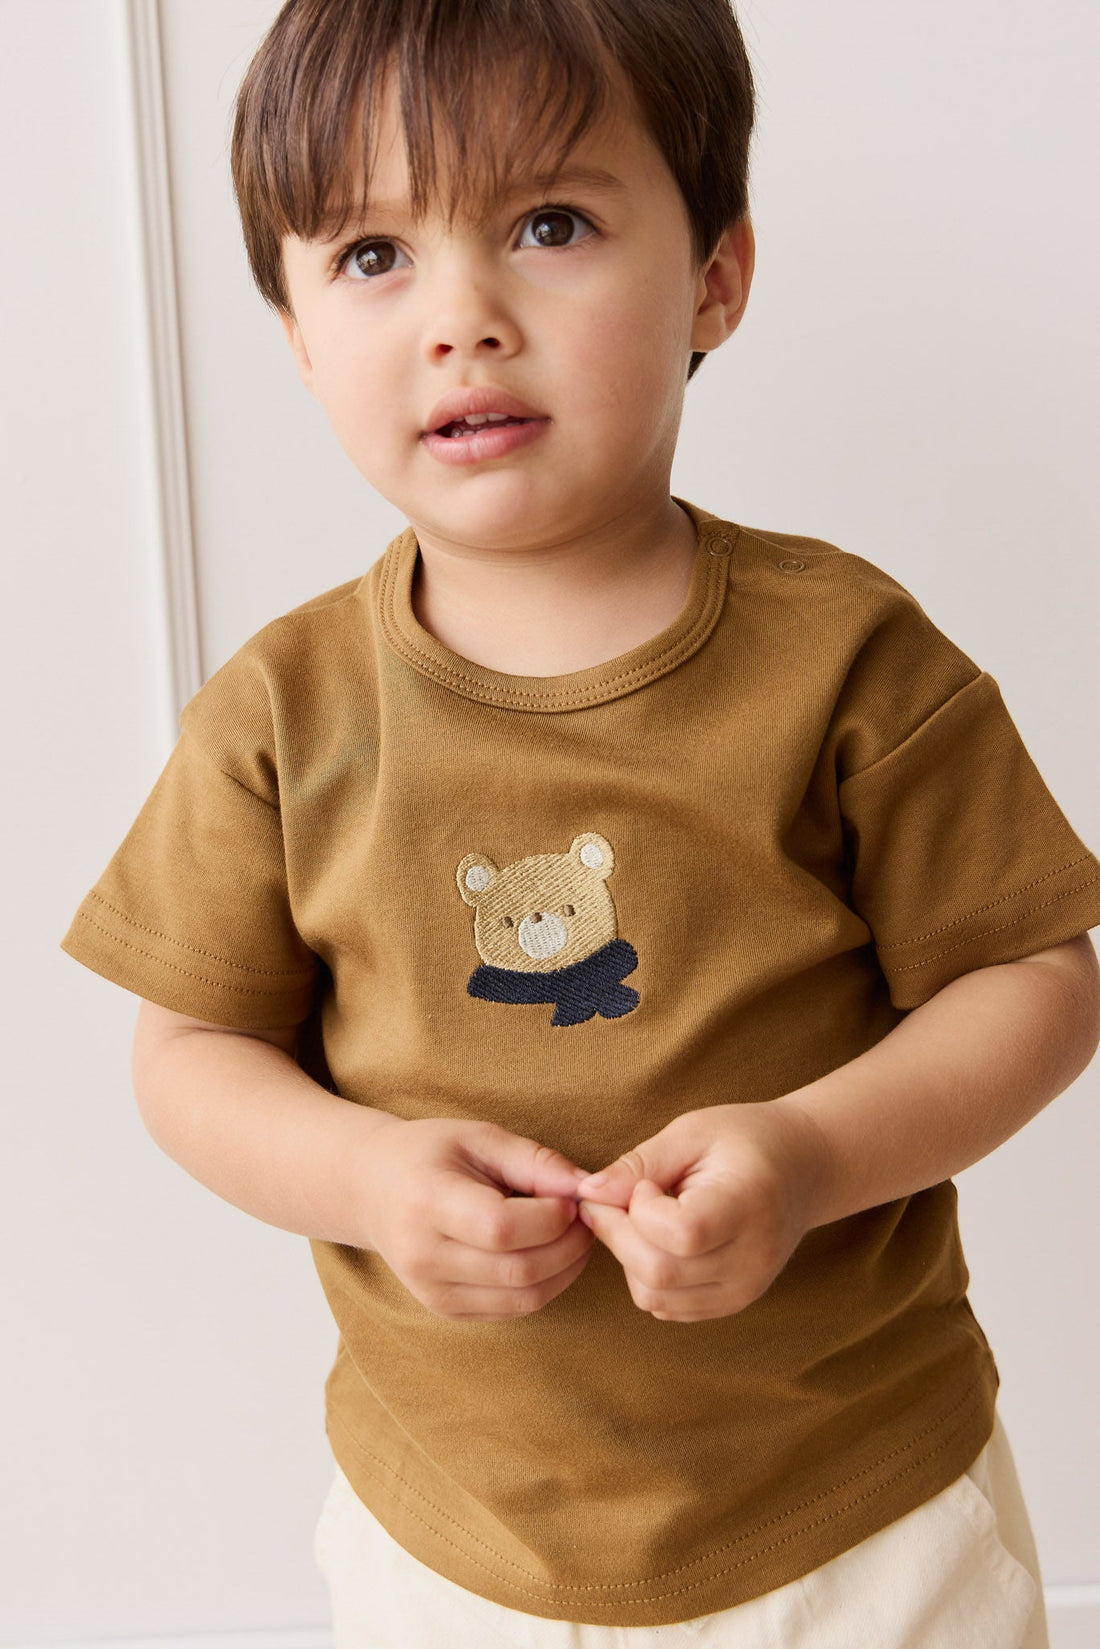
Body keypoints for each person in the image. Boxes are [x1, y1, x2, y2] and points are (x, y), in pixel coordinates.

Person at [62, 1, 1100, 1644]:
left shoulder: (849, 659)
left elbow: (1034, 978)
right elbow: (188, 1050)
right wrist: (368, 1175)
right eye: (372, 255)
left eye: (548, 225)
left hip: (859, 1516)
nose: (462, 320)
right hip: (453, 1539)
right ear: (297, 333)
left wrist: (811, 1153)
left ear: (717, 276)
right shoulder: (281, 713)